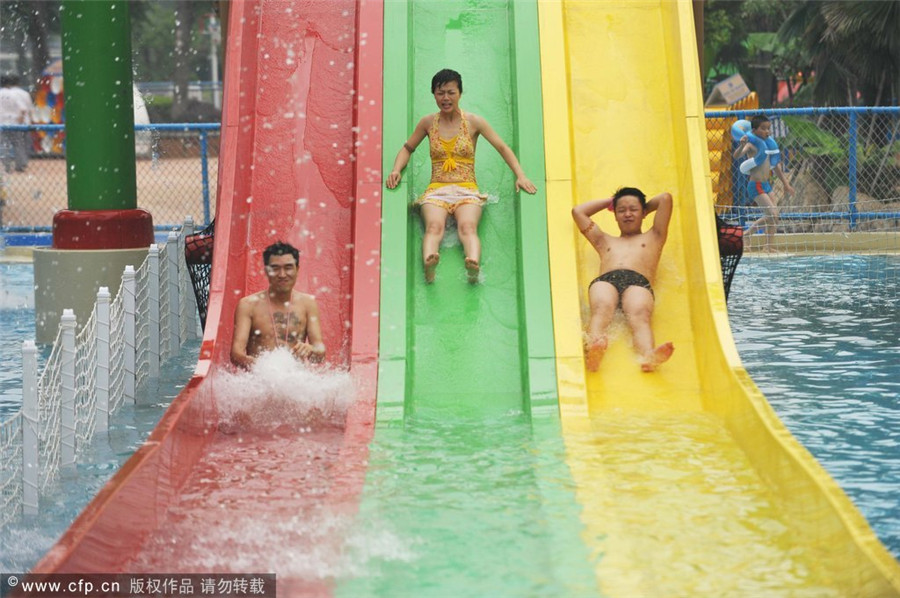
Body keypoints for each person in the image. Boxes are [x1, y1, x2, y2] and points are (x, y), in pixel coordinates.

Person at [385, 68, 537, 284]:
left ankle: (472, 265)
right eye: (440, 93)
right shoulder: (427, 123)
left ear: (460, 93)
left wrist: (520, 175)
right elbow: (407, 148)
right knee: (433, 227)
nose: (445, 98)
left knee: (467, 226)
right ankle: (429, 265)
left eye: (451, 92)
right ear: (434, 95)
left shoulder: (474, 122)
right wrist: (396, 169)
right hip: (437, 190)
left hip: (467, 190)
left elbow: (502, 147)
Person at [571, 187, 675, 372]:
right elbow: (578, 212)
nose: (627, 214)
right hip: (606, 281)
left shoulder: (655, 236)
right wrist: (610, 202)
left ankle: (648, 356)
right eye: (621, 210)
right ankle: (593, 351)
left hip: (638, 282)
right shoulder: (604, 240)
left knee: (640, 314)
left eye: (633, 209)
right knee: (601, 308)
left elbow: (665, 199)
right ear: (615, 215)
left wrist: (643, 208)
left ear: (644, 212)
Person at [230, 241, 325, 368]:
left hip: (295, 376)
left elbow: (320, 353)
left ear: (297, 269)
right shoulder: (248, 305)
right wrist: (262, 367)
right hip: (260, 375)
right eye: (275, 268)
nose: (282, 274)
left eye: (288, 268)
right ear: (266, 271)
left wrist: (311, 349)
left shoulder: (308, 304)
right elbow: (236, 354)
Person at [733, 114, 794, 251]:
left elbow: (776, 166)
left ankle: (768, 246)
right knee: (772, 214)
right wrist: (741, 145)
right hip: (756, 185)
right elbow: (737, 156)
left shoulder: (769, 146)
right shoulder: (751, 145)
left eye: (768, 128)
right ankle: (746, 234)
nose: (767, 131)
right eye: (763, 128)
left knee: (774, 217)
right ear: (754, 131)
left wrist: (786, 184)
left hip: (766, 185)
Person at [0, 74, 34, 173]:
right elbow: (23, 109)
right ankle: (20, 165)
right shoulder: (15, 94)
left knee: (4, 145)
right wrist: (20, 120)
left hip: (2, 123)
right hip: (15, 123)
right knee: (19, 144)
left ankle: (6, 166)